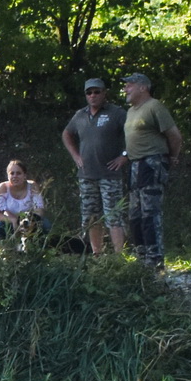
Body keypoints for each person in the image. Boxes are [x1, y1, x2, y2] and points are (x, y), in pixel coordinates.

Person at [116, 73, 182, 270]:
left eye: (129, 85)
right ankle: (141, 257)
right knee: (135, 214)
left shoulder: (155, 107)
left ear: (143, 87)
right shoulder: (131, 111)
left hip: (152, 163)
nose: (126, 89)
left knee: (150, 213)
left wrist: (171, 157)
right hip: (135, 165)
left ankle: (155, 260)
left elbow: (175, 136)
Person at [61, 77, 128, 255]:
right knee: (91, 217)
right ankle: (97, 254)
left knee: (114, 216)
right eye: (89, 92)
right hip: (86, 175)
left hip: (110, 174)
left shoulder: (117, 113)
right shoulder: (80, 115)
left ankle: (118, 257)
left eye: (97, 92)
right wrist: (75, 156)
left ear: (104, 93)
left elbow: (134, 133)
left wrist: (124, 156)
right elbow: (67, 133)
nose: (93, 95)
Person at [0, 159, 51, 240]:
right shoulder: (3, 187)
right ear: (8, 176)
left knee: (46, 225)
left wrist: (29, 222)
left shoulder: (32, 186)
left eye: (18, 173)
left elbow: (39, 210)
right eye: (12, 173)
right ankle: (9, 238)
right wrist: (14, 221)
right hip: (9, 223)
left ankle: (32, 238)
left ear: (24, 175)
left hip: (30, 223)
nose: (15, 176)